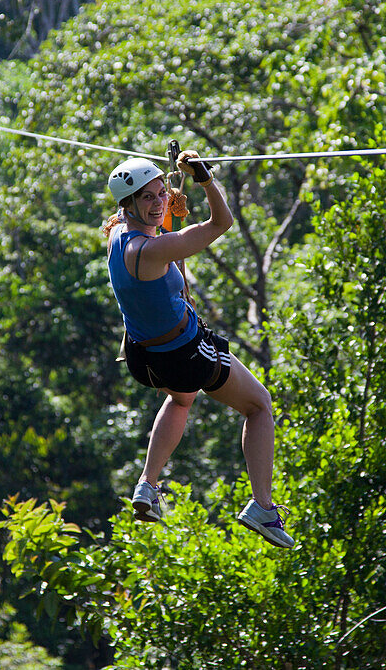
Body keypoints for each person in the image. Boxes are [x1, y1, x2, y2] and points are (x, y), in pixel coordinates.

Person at [102, 150, 293, 549]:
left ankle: (147, 485)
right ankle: (262, 507)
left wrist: (169, 205)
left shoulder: (117, 235)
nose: (157, 204)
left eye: (159, 194)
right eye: (148, 198)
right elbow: (221, 223)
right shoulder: (154, 251)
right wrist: (205, 179)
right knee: (259, 405)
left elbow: (153, 228)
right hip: (184, 354)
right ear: (129, 203)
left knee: (181, 399)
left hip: (143, 358)